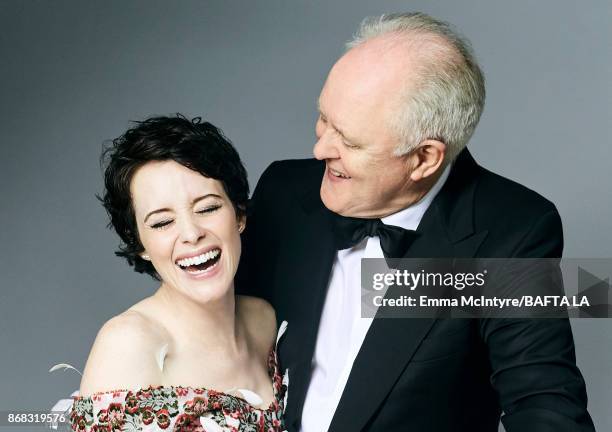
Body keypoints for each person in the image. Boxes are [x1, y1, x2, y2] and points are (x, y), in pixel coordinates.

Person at [237, 12, 595, 432]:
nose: (320, 150)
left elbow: (546, 406)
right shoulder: (283, 191)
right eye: (323, 119)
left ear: (424, 158)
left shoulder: (515, 230)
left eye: (348, 141)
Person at [69, 115, 287, 431]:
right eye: (161, 222)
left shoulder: (264, 319)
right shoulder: (130, 343)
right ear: (139, 243)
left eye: (208, 208)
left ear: (238, 214)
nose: (190, 233)